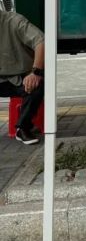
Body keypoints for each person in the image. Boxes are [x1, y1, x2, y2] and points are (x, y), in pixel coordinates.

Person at [0, 10, 45, 145]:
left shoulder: (14, 21)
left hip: (20, 78)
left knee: (37, 85)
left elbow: (41, 41)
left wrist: (35, 72)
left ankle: (23, 128)